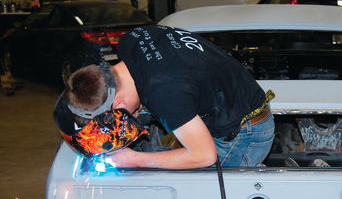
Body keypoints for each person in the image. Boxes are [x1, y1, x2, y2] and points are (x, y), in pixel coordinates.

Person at [60, 25, 275, 169]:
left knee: (195, 196)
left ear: (117, 103)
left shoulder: (164, 93)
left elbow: (204, 155)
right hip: (232, 97)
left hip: (246, 136)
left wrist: (136, 159)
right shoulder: (130, 41)